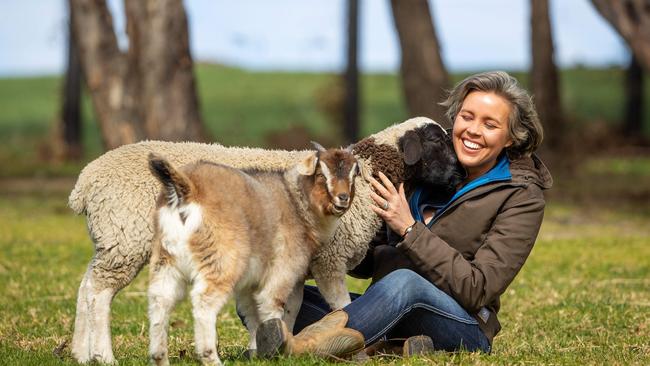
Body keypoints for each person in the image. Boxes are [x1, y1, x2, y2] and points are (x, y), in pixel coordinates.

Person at [256, 70, 553, 358]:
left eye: (490, 124)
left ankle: (303, 347)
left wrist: (410, 229)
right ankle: (385, 345)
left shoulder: (522, 195)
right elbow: (366, 266)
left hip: (462, 323)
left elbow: (478, 288)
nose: (473, 130)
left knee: (404, 282)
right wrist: (335, 229)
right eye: (467, 116)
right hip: (387, 307)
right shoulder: (426, 159)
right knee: (276, 293)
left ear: (511, 137)